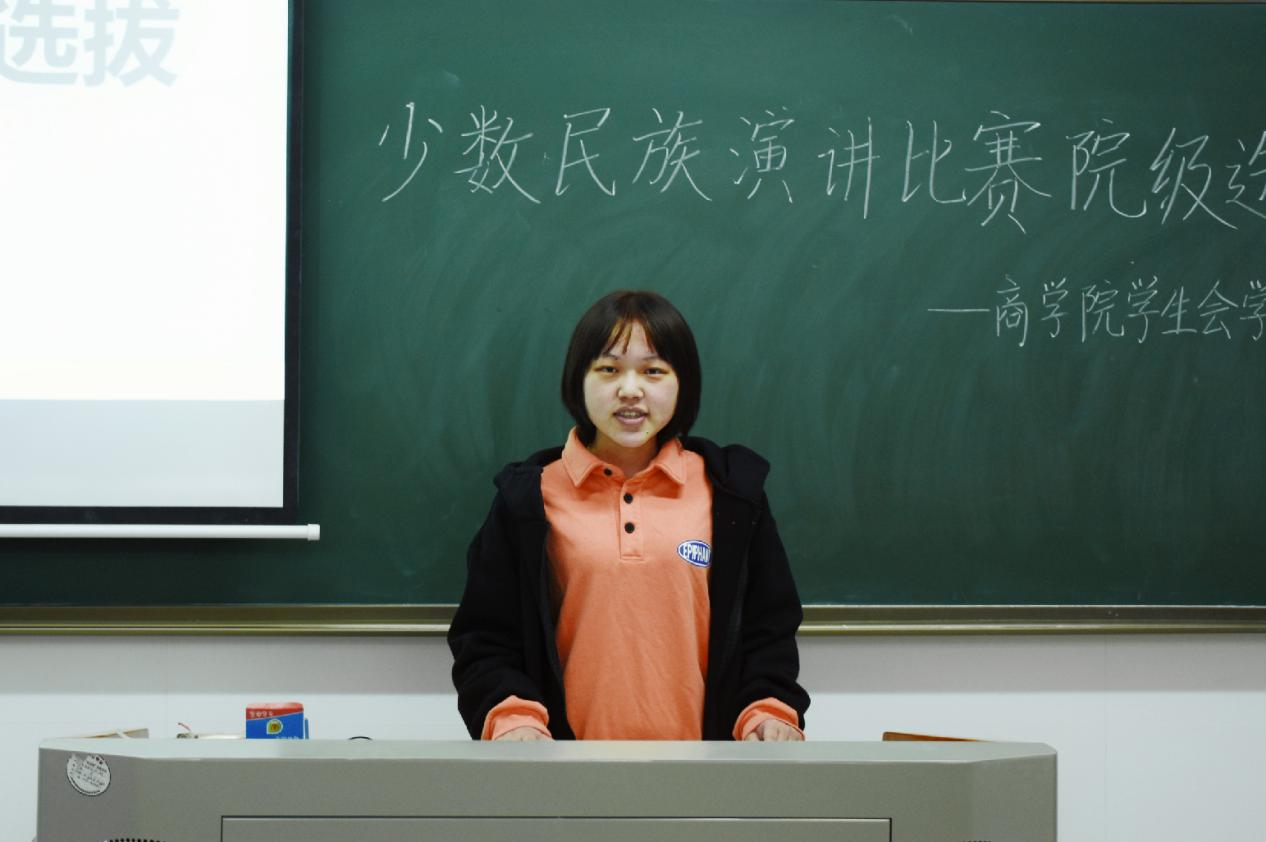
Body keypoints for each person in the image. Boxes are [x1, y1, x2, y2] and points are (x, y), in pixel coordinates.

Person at [448, 290, 809, 741]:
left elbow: (768, 630)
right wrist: (512, 719)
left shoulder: (731, 494)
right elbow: (485, 639)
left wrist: (767, 711)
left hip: (706, 767)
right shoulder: (529, 498)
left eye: (654, 371)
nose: (631, 389)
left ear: (683, 383)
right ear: (578, 380)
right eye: (609, 369)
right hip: (562, 767)